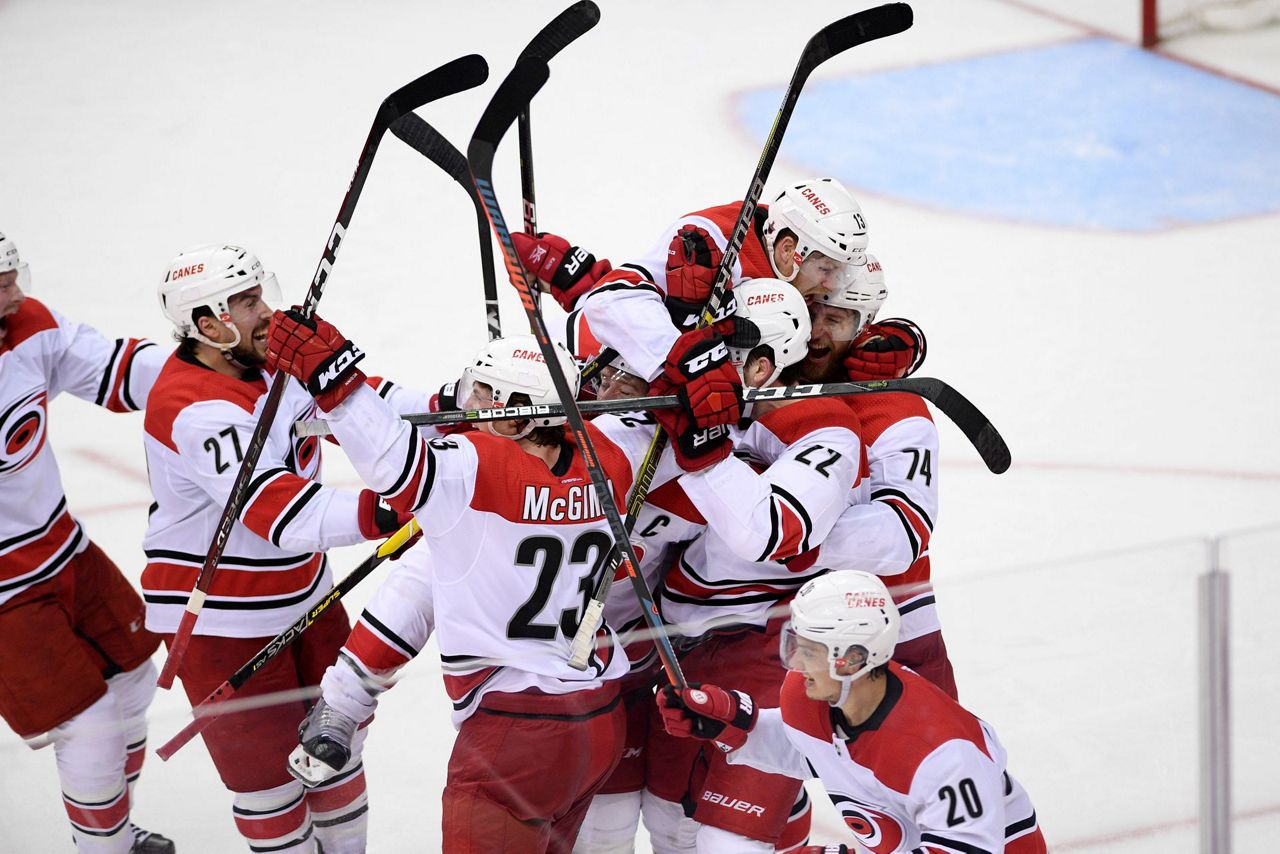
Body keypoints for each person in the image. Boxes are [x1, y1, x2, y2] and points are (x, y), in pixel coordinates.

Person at [265, 308, 742, 853]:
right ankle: (342, 705)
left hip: (515, 731)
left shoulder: (471, 467)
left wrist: (336, 382)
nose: (467, 409)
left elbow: (390, 457)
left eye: (484, 397)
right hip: (596, 722)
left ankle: (342, 705)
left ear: (517, 418)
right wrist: (706, 382)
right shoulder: (612, 454)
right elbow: (670, 425)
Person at [141, 244, 417, 853]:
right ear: (208, 326)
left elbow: (366, 402)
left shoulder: (267, 360)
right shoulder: (194, 408)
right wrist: (399, 503)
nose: (267, 312)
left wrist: (466, 409)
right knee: (271, 788)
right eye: (245, 303)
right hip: (225, 622)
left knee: (333, 754)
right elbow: (281, 511)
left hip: (305, 593)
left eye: (259, 293)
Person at [657, 570, 1046, 853]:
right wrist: (733, 723)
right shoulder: (810, 694)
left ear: (852, 659)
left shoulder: (944, 754)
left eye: (809, 651)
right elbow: (811, 750)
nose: (794, 663)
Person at [0, 231, 174, 853]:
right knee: (91, 724)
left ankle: (113, 836)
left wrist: (210, 363)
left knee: (132, 683)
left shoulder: (29, 325)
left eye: (13, 275)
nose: (15, 293)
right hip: (5, 594)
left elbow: (115, 369)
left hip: (62, 548)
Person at [515, 176, 870, 387]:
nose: (832, 284)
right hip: (597, 367)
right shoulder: (712, 241)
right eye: (827, 269)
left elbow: (848, 312)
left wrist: (888, 343)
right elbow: (612, 300)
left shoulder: (792, 256)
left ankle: (575, 278)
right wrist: (691, 365)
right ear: (789, 249)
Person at [797, 256, 955, 698]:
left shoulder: (898, 410)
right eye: (809, 311)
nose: (814, 332)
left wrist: (768, 534)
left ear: (864, 326)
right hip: (791, 638)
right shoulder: (765, 375)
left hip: (894, 639)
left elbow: (900, 539)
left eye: (836, 319)